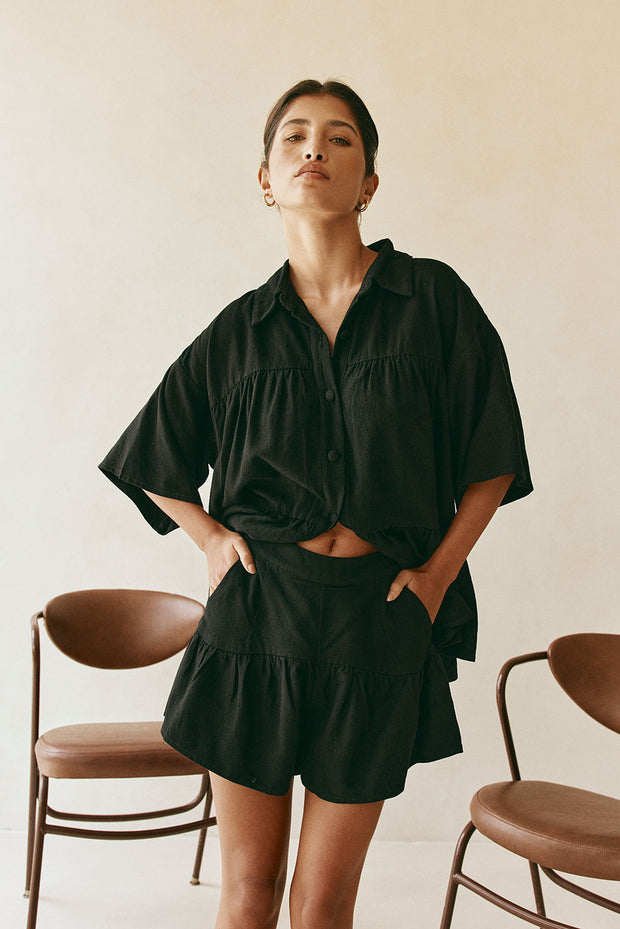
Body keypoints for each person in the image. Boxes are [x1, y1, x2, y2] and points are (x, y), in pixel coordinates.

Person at [99, 78, 532, 929]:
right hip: (257, 618)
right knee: (248, 893)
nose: (314, 150)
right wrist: (210, 538)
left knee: (325, 900)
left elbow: (492, 458)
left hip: (379, 618)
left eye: (339, 138)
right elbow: (151, 455)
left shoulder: (433, 300)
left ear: (369, 180)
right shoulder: (239, 330)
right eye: (294, 137)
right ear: (266, 177)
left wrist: (437, 577)